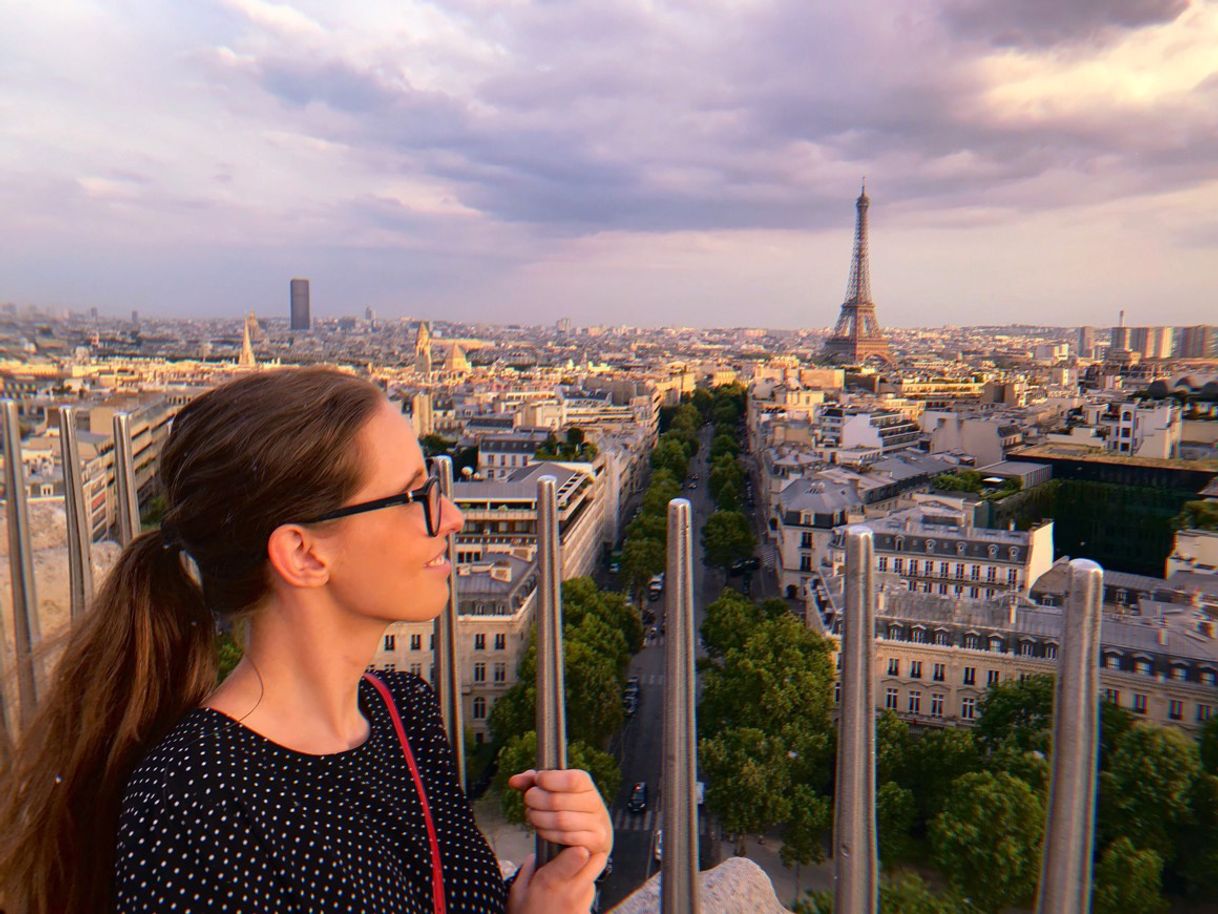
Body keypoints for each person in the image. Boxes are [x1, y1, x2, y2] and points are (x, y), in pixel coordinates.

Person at [0, 368, 611, 914]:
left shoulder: (404, 712)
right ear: (302, 553)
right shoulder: (197, 805)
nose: (449, 518)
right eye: (417, 496)